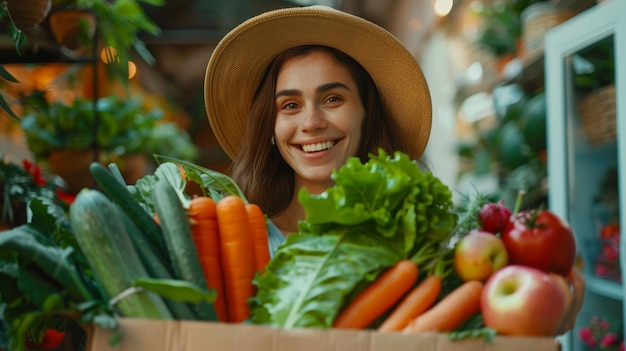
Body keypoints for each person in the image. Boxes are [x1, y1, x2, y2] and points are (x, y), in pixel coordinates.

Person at [203, 5, 584, 335]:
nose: (311, 122)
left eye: (332, 98)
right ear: (270, 128)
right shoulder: (243, 244)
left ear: (367, 113)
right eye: (289, 106)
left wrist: (549, 301)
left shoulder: (424, 242)